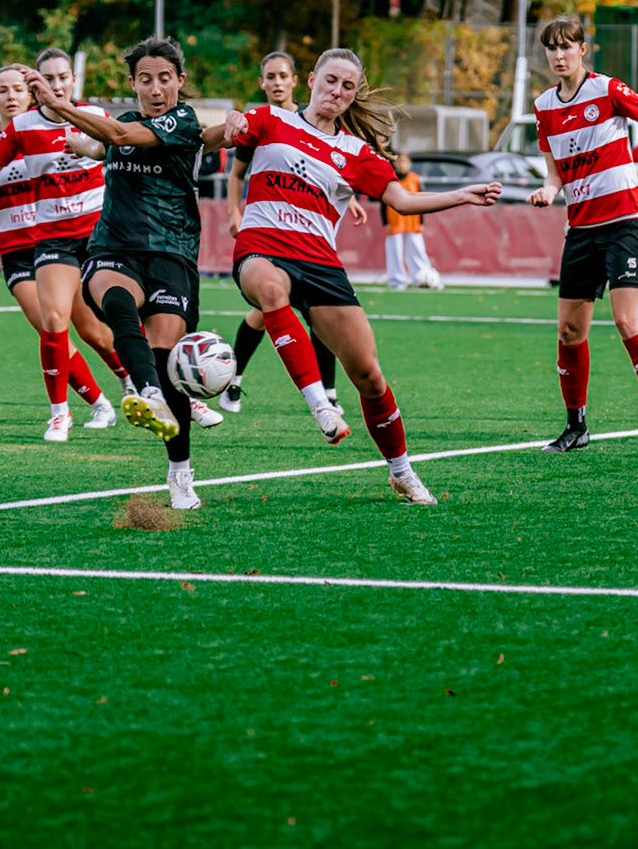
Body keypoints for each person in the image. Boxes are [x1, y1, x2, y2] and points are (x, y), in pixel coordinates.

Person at [228, 46, 501, 503]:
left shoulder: (356, 152)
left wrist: (462, 194)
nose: (337, 91)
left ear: (354, 96)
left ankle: (401, 471)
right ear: (311, 79)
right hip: (262, 246)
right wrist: (231, 121)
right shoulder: (269, 120)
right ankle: (322, 406)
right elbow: (218, 136)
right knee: (271, 290)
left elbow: (403, 201)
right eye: (331, 81)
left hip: (319, 263)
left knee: (371, 377)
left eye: (348, 87)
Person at [26, 37, 244, 510]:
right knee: (118, 305)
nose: (155, 87)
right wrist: (79, 142)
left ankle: (180, 474)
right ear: (133, 84)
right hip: (115, 245)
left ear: (180, 82)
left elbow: (119, 140)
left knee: (170, 360)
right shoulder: (121, 123)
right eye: (145, 79)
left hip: (172, 251)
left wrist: (60, 106)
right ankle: (146, 393)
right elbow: (106, 146)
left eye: (165, 78)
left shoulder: (181, 122)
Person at [526, 16, 638, 459]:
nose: (559, 56)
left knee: (626, 322)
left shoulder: (608, 90)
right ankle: (575, 426)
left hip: (626, 223)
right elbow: (555, 172)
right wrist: (547, 189)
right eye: (552, 49)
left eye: (567, 47)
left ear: (584, 49)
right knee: (569, 331)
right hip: (580, 230)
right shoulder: (543, 106)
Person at [0, 54, 128, 441]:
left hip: (76, 238)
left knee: (94, 331)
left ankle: (130, 382)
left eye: (17, 89)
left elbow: (116, 148)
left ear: (31, 93)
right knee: (50, 322)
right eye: (2, 91)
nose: (11, 96)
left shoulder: (65, 122)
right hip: (24, 248)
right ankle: (89, 405)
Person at [222, 49, 349, 415]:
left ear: (297, 80)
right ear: (262, 83)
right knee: (271, 310)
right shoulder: (260, 122)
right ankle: (235, 380)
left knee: (313, 312)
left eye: (283, 76)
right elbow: (237, 173)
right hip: (270, 233)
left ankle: (327, 392)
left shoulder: (320, 119)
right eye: (270, 76)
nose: (277, 82)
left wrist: (348, 200)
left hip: (308, 231)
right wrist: (235, 212)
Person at [383, 150, 440, 289]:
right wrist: (385, 222)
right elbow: (383, 202)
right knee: (395, 251)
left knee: (417, 250)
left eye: (404, 161)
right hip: (394, 220)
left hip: (412, 221)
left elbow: (421, 200)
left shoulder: (415, 179)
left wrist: (421, 222)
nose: (402, 164)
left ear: (410, 163)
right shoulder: (389, 179)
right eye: (399, 161)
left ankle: (421, 278)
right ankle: (397, 280)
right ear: (394, 163)